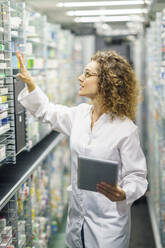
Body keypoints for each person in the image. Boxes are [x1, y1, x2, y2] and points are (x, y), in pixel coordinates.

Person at [16, 50, 148, 248]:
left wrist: (124, 193)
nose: (80, 77)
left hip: (107, 224)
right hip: (78, 219)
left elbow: (137, 176)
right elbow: (47, 112)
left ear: (105, 81)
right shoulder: (81, 115)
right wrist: (31, 83)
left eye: (87, 74)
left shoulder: (125, 129)